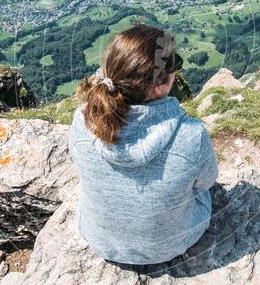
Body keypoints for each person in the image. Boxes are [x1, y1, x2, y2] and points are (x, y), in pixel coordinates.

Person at [68, 24, 218, 265]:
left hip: (101, 240)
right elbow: (207, 181)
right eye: (174, 64)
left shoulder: (83, 121)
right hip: (172, 243)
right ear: (160, 85)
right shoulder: (190, 134)